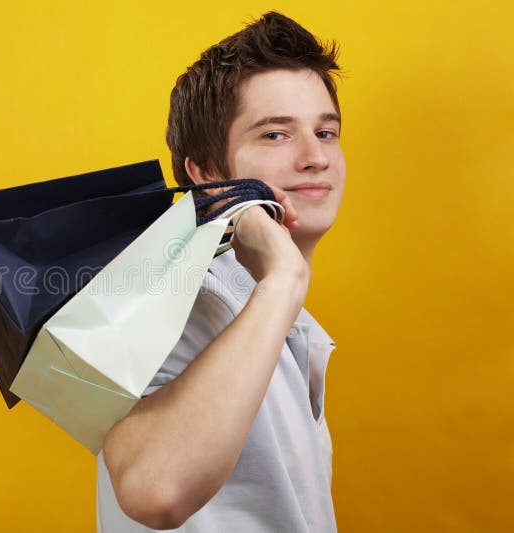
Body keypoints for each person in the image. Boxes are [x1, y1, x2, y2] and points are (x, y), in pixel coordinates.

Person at [97, 11, 345, 532]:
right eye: (276, 135)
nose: (315, 156)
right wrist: (282, 281)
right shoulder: (172, 296)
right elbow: (153, 490)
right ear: (206, 174)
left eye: (326, 131)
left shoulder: (291, 323)